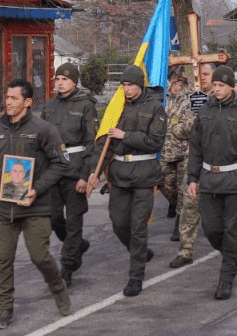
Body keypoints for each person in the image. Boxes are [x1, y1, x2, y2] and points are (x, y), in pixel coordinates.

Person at [0, 80, 70, 330]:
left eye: (14, 98)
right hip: (5, 207)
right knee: (3, 259)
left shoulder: (43, 130)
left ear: (28, 102)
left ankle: (58, 288)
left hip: (36, 207)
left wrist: (36, 189)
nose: (7, 102)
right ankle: (4, 309)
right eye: (6, 97)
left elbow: (61, 164)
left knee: (40, 256)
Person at [87, 65, 167, 297]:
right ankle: (140, 252)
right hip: (119, 174)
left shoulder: (155, 107)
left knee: (138, 226)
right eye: (123, 85)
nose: (126, 89)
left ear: (140, 85)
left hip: (144, 173)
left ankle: (136, 276)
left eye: (130, 84)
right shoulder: (117, 108)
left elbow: (156, 141)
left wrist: (126, 136)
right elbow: (105, 143)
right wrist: (94, 171)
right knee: (119, 223)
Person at [186, 65, 237, 300]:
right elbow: (196, 147)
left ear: (232, 87)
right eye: (215, 85)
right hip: (209, 180)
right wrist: (192, 178)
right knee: (211, 228)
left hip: (235, 181)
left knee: (231, 230)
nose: (216, 89)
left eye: (221, 86)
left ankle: (226, 278)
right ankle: (232, 254)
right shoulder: (205, 110)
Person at [171, 63, 237, 267]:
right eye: (202, 74)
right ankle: (186, 250)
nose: (204, 78)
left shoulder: (235, 106)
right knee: (190, 207)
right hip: (197, 163)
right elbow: (177, 129)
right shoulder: (190, 99)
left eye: (208, 74)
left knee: (231, 211)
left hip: (228, 168)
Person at [40, 63, 98, 287]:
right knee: (54, 218)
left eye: (64, 79)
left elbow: (91, 143)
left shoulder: (86, 105)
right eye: (57, 79)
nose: (59, 83)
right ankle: (77, 246)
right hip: (54, 170)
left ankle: (67, 267)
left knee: (74, 222)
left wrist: (87, 174)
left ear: (74, 81)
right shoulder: (50, 106)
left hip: (75, 171)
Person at [161, 68, 195, 242]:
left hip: (184, 150)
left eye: (179, 81)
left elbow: (192, 122)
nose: (175, 84)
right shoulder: (163, 98)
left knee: (183, 190)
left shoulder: (191, 98)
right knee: (165, 184)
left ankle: (178, 224)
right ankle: (173, 204)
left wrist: (176, 128)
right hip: (165, 150)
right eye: (173, 81)